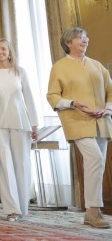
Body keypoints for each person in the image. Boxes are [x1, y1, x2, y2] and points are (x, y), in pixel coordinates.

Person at [47, 27, 111, 229]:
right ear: (68, 43)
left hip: (101, 121)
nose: (85, 40)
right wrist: (73, 103)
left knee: (97, 165)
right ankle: (93, 210)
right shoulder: (59, 67)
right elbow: (53, 96)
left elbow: (111, 90)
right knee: (95, 159)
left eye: (86, 37)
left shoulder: (97, 65)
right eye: (79, 38)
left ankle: (92, 212)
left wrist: (108, 108)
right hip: (76, 119)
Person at [0, 39, 39, 222]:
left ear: (9, 51)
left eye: (3, 49)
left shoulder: (20, 72)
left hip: (21, 121)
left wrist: (34, 123)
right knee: (4, 165)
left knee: (22, 163)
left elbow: (29, 97)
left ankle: (23, 207)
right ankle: (12, 209)